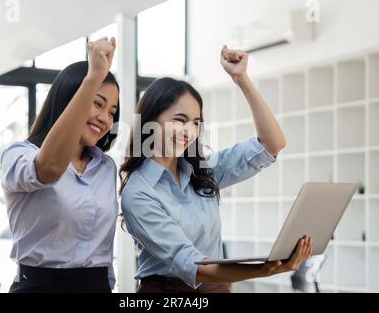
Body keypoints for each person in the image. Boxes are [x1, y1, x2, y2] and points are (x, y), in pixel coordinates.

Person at [120, 45, 313, 293]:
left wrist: (241, 78)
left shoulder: (204, 171)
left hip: (217, 287)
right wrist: (266, 269)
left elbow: (272, 144)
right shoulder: (138, 192)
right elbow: (193, 265)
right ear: (150, 122)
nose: (189, 132)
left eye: (195, 123)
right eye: (179, 120)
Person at [0, 37, 120, 293]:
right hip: (40, 287)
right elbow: (49, 168)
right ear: (71, 98)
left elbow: (103, 251)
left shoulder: (106, 167)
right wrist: (93, 77)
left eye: (112, 111)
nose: (105, 119)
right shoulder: (19, 155)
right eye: (97, 103)